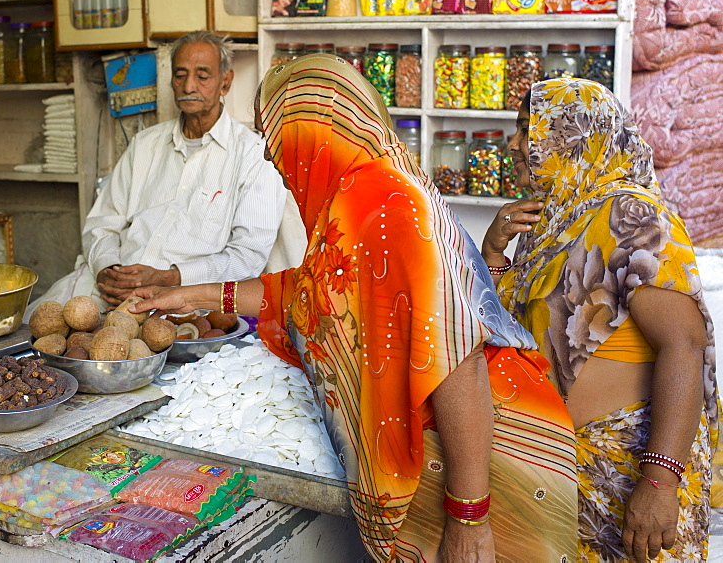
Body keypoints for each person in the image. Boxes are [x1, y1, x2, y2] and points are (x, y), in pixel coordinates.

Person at [131, 54, 578, 560]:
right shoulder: (355, 196)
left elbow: (459, 365)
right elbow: (307, 294)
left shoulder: (386, 205)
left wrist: (469, 515)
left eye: (274, 136)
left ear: (313, 132)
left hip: (490, 459)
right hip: (463, 455)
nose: (270, 157)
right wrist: (185, 296)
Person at [481, 77, 719, 561]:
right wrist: (494, 252)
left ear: (575, 137)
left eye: (530, 131)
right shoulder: (551, 220)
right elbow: (521, 332)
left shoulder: (632, 214)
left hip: (628, 475)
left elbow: (685, 346)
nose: (516, 145)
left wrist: (658, 482)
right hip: (563, 472)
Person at [29, 31, 286, 310]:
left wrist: (170, 277)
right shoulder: (145, 144)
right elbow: (102, 222)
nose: (189, 86)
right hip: (104, 287)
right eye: (180, 75)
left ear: (225, 82)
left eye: (202, 76)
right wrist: (108, 269)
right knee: (34, 326)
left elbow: (247, 257)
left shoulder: (253, 154)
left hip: (182, 301)